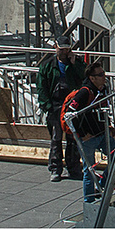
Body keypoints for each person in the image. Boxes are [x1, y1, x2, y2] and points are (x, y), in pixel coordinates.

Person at [62, 62, 115, 203]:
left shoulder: (102, 90)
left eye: (104, 73)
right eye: (100, 75)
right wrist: (82, 133)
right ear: (92, 78)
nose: (104, 77)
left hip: (102, 133)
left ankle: (102, 184)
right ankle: (89, 201)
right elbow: (69, 115)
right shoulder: (84, 92)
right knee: (89, 171)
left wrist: (108, 126)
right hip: (88, 138)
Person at [38, 38, 86, 181]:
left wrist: (75, 64)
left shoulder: (76, 64)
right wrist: (47, 106)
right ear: (56, 48)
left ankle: (73, 168)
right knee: (56, 138)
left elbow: (85, 76)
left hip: (72, 105)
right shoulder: (47, 66)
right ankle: (55, 168)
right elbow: (42, 88)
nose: (64, 52)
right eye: (62, 49)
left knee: (73, 138)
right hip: (56, 105)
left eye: (67, 49)